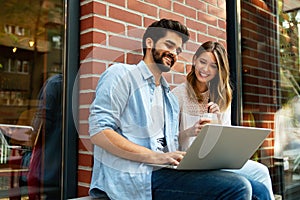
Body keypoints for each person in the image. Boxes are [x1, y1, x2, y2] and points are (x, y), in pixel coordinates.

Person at [89, 19, 271, 200]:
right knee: (238, 188)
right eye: (169, 44)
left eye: (178, 50)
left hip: (166, 171)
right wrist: (157, 157)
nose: (174, 53)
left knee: (259, 189)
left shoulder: (168, 98)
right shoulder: (121, 74)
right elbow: (99, 132)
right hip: (135, 175)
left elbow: (171, 146)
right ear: (149, 42)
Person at [172, 41, 274, 199]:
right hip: (190, 162)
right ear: (194, 60)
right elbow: (168, 140)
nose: (205, 69)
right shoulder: (178, 95)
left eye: (213, 66)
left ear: (219, 70)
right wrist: (190, 131)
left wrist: (217, 124)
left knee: (261, 174)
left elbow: (226, 139)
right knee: (246, 186)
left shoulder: (222, 95)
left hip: (215, 160)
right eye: (202, 62)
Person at [26, 73, 63, 199]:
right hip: (62, 171)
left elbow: (42, 124)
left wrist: (30, 137)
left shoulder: (55, 83)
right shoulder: (73, 85)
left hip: (48, 168)